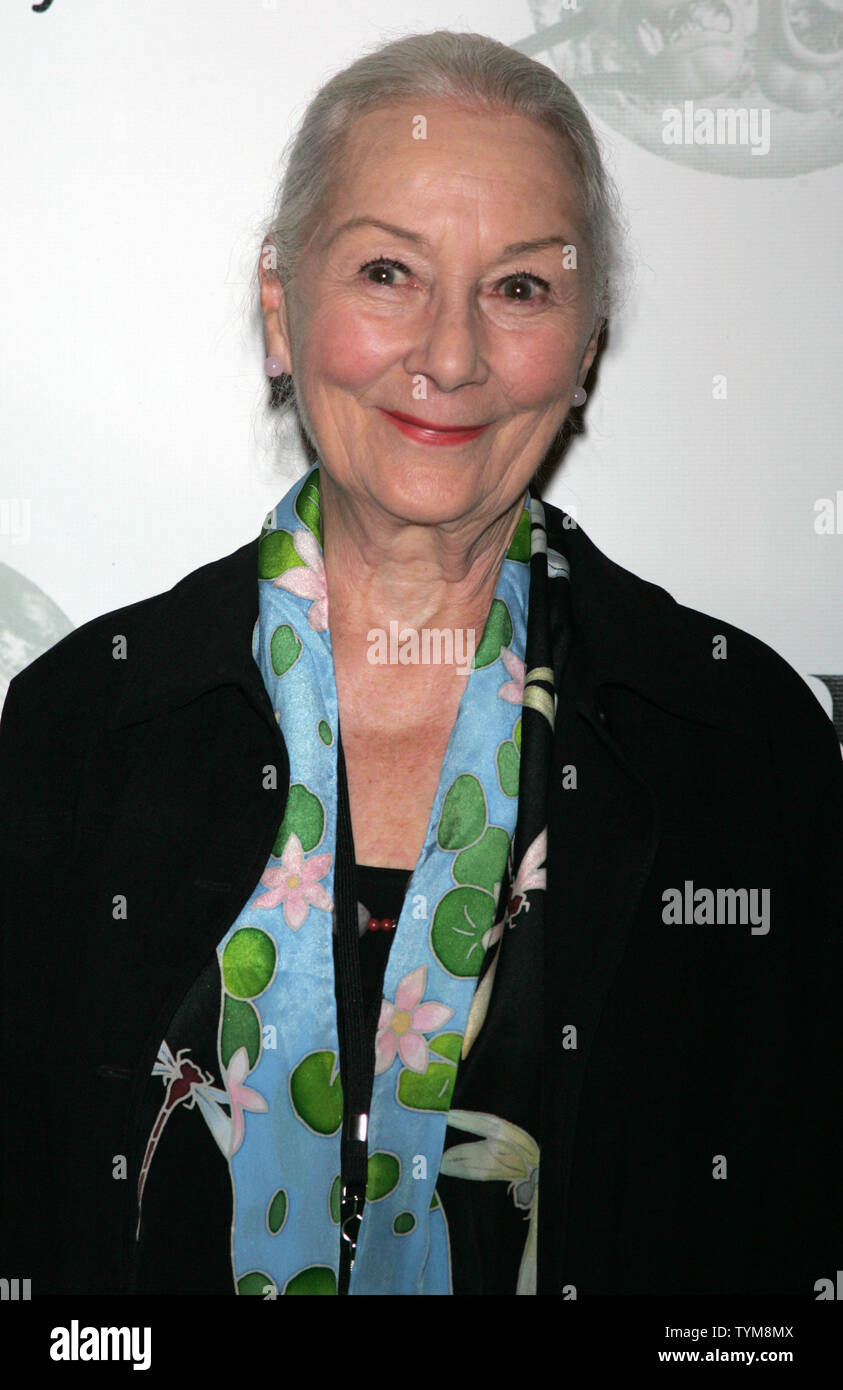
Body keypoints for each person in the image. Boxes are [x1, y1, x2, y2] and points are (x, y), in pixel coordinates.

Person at [1, 29, 840, 1298]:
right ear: (282, 310)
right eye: (389, 270)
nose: (449, 357)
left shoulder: (738, 738)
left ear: (588, 343)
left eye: (519, 288)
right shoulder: (80, 724)